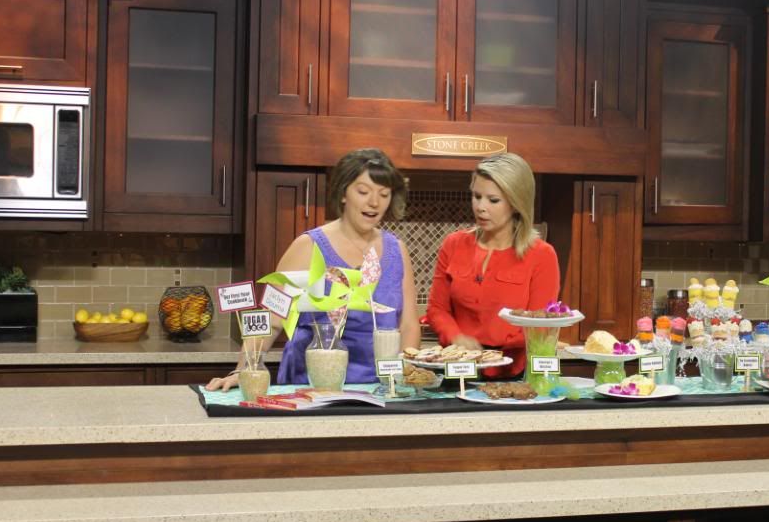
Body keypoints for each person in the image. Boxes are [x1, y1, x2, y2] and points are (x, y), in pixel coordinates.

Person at [207, 148, 420, 391]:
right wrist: (244, 369)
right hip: (311, 386)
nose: (374, 202)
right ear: (343, 193)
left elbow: (408, 325)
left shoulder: (397, 250)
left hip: (379, 388)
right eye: (363, 191)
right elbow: (271, 320)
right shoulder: (308, 247)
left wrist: (404, 379)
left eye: (384, 194)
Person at [426, 152, 560, 379]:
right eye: (476, 196)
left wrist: (495, 351)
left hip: (513, 375)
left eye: (493, 200)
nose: (480, 207)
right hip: (459, 369)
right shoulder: (454, 244)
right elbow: (437, 309)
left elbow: (540, 324)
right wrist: (456, 338)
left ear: (516, 203)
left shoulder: (541, 255)